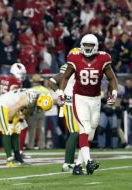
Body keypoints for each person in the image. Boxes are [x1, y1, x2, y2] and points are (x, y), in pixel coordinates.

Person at [57, 34, 118, 175]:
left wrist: (113, 94)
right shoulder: (74, 57)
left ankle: (78, 165)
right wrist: (60, 91)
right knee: (83, 128)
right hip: (80, 98)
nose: (87, 48)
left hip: (95, 99)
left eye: (90, 45)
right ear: (81, 45)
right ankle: (89, 161)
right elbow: (65, 76)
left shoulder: (103, 59)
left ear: (96, 46)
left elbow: (112, 78)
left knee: (90, 133)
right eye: (85, 45)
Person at [0, 88, 53, 166]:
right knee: (7, 130)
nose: (40, 109)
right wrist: (10, 121)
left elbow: (28, 109)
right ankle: (9, 160)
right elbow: (15, 108)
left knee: (17, 130)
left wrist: (21, 116)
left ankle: (17, 157)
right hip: (4, 104)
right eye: (40, 108)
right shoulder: (30, 98)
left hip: (13, 106)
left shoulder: (37, 97)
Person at [48, 48, 80, 172]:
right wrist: (60, 93)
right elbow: (52, 81)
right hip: (70, 103)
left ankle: (72, 161)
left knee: (76, 133)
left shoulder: (82, 67)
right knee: (74, 132)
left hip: (79, 103)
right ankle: (68, 163)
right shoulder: (69, 67)